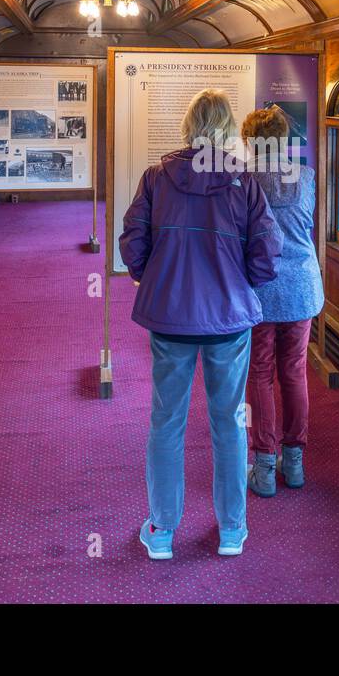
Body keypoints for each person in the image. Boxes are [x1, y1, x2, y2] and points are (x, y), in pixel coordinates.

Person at [120, 89, 281, 559]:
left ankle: (163, 531)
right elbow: (267, 252)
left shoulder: (157, 178)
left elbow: (133, 241)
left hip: (171, 318)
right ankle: (232, 530)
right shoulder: (243, 182)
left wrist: (151, 277)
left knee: (166, 421)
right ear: (228, 129)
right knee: (229, 421)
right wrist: (240, 283)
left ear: (189, 126)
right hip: (228, 320)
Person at [241, 105, 324, 497]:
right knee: (294, 371)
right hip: (302, 285)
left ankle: (264, 461)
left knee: (259, 372)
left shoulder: (244, 180)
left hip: (260, 287)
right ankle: (295, 462)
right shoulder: (307, 176)